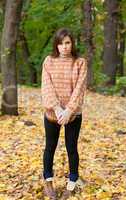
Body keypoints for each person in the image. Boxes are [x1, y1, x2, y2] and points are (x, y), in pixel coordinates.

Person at [41, 27, 87, 199]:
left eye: (67, 43)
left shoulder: (80, 62)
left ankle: (73, 181)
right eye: (61, 43)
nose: (64, 47)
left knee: (71, 148)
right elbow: (46, 87)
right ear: (56, 45)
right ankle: (48, 180)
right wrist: (58, 109)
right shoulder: (49, 61)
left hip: (73, 114)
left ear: (72, 43)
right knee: (50, 147)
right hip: (52, 114)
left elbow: (80, 88)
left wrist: (68, 110)